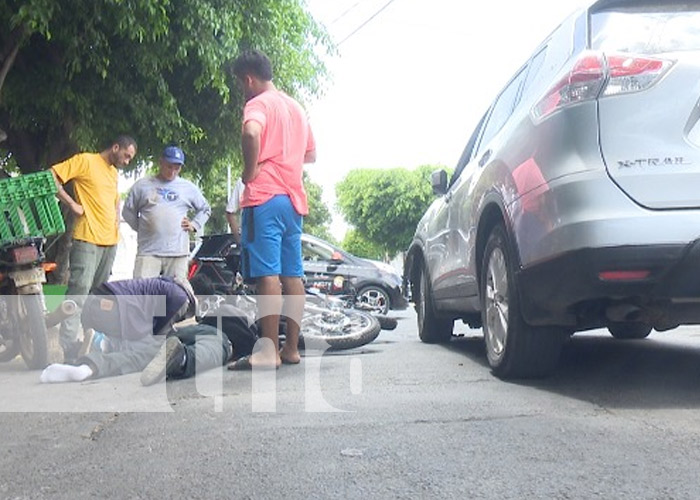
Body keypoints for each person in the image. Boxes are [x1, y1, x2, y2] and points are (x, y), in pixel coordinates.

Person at [227, 49, 316, 370]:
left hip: (265, 195)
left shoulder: (258, 103)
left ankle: (267, 351)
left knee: (267, 273)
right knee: (292, 274)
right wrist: (286, 158)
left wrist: (251, 170)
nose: (242, 88)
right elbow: (310, 154)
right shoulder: (296, 108)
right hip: (293, 200)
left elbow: (251, 131)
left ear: (248, 79)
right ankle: (290, 348)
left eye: (241, 83)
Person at [39, 276, 233, 386]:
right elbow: (160, 331)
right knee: (147, 344)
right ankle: (100, 347)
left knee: (142, 342)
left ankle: (93, 347)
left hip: (98, 305)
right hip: (112, 309)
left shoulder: (168, 285)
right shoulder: (181, 297)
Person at [51, 135, 138, 363]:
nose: (127, 161)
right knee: (78, 293)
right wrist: (71, 204)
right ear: (115, 146)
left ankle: (91, 344)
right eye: (126, 155)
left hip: (109, 243)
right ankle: (69, 347)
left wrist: (117, 222)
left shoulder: (113, 172)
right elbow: (51, 176)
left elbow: (114, 202)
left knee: (97, 298)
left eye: (131, 158)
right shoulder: (86, 161)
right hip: (86, 239)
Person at [122, 145, 211, 280]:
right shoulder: (142, 185)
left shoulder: (187, 187)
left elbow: (205, 208)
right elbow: (128, 211)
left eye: (177, 168)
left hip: (177, 253)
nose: (172, 171)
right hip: (148, 251)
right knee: (143, 294)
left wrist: (194, 224)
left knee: (176, 294)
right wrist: (141, 227)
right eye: (169, 166)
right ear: (161, 162)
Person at [225, 177, 245, 242]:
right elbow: (230, 212)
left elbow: (230, 212)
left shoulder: (242, 181)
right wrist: (239, 239)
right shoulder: (242, 181)